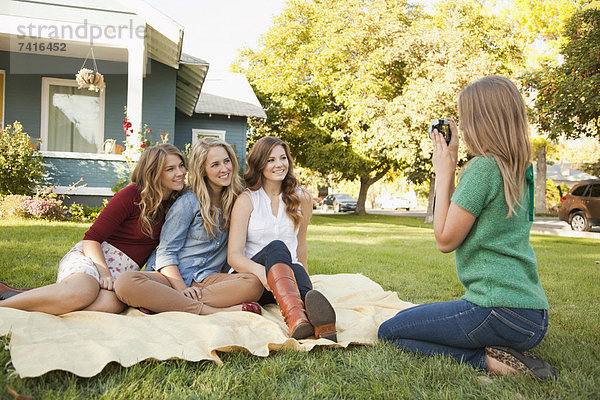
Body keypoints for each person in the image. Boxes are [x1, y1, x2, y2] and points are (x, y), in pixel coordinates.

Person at [378, 76, 557, 380]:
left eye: (464, 118)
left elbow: (445, 240)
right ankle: (505, 349)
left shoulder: (483, 169)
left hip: (496, 310)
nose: (461, 126)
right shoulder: (520, 169)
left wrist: (445, 172)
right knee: (408, 318)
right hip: (532, 317)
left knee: (390, 331)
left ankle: (490, 362)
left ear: (479, 119)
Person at [0, 144, 186, 315]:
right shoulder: (132, 195)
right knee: (82, 292)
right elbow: (91, 238)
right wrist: (104, 272)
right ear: (152, 172)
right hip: (93, 258)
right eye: (170, 169)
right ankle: (5, 307)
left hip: (122, 274)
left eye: (181, 166)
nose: (180, 173)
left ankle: (24, 296)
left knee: (109, 305)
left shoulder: (177, 203)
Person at [114, 138, 264, 315]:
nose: (224, 169)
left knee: (254, 284)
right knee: (125, 283)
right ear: (203, 170)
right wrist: (180, 288)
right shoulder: (188, 202)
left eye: (226, 161)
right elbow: (166, 252)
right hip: (169, 278)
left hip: (206, 279)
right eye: (215, 165)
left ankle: (163, 303)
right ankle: (209, 311)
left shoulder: (238, 198)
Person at [228, 136, 337, 341]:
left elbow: (301, 246)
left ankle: (319, 323)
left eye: (283, 158)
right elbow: (233, 256)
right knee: (277, 247)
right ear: (259, 164)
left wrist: (305, 278)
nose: (279, 164)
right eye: (271, 160)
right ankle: (297, 315)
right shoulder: (247, 200)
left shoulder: (302, 198)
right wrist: (263, 273)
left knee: (298, 276)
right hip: (254, 280)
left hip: (287, 278)